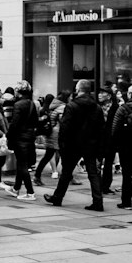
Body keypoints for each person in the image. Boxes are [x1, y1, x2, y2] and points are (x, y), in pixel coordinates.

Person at [43, 79, 107, 210]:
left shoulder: (72, 106)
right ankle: (98, 201)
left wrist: (62, 145)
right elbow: (101, 129)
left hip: (73, 145)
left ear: (78, 90)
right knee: (93, 173)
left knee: (66, 172)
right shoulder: (96, 107)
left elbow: (65, 128)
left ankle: (58, 197)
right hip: (91, 144)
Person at [7, 81, 38, 200]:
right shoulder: (32, 104)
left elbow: (14, 123)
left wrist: (9, 136)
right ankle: (16, 188)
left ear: (18, 92)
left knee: (22, 165)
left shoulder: (18, 105)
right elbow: (35, 121)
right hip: (29, 137)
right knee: (22, 163)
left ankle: (30, 192)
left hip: (20, 138)